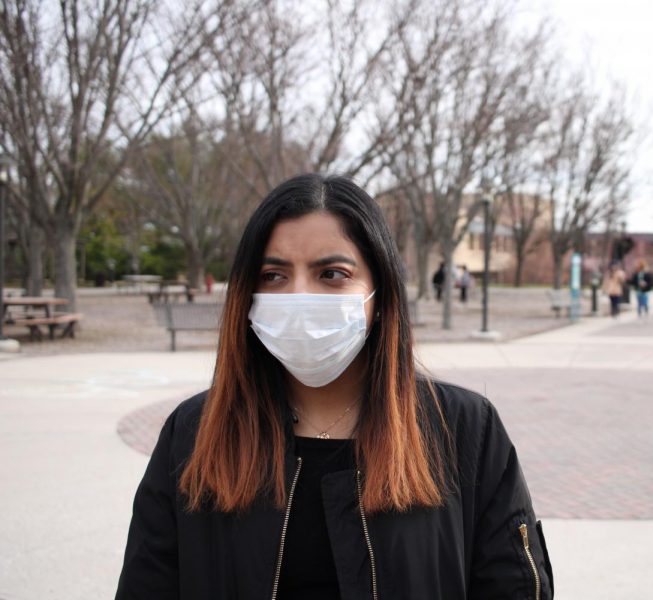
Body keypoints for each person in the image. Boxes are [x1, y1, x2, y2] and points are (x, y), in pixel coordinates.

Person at [116, 174, 553, 599]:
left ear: (379, 294)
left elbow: (513, 586)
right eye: (273, 276)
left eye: (332, 274)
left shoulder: (463, 430)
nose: (298, 297)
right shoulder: (194, 432)